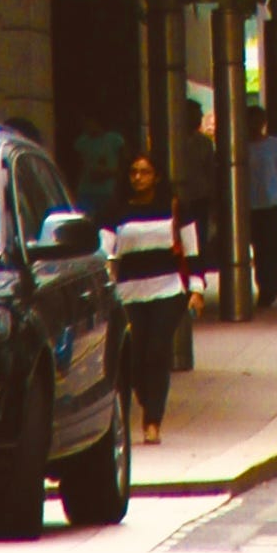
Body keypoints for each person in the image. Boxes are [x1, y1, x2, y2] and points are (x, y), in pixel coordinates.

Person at [109, 152, 198, 444]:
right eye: (133, 172)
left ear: (157, 176)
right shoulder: (117, 211)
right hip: (129, 293)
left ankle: (152, 420)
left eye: (144, 172)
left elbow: (193, 250)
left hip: (167, 290)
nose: (138, 177)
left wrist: (196, 289)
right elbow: (106, 253)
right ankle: (147, 399)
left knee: (157, 351)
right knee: (135, 356)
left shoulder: (174, 207)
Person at [242, 102, 277, 308]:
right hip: (250, 204)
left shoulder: (273, 144)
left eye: (259, 120)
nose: (256, 124)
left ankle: (271, 287)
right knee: (258, 249)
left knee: (271, 247)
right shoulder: (241, 145)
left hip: (272, 203)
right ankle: (263, 285)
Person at [176, 100, 222, 272]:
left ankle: (198, 271)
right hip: (179, 198)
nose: (198, 119)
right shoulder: (174, 140)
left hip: (200, 198)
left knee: (199, 238)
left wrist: (214, 198)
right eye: (195, 115)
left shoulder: (204, 143)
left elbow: (211, 172)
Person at [71, 116, 130, 225]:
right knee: (85, 220)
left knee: (107, 220)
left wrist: (114, 176)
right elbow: (77, 166)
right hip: (86, 189)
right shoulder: (82, 142)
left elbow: (124, 162)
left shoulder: (114, 140)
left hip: (108, 189)